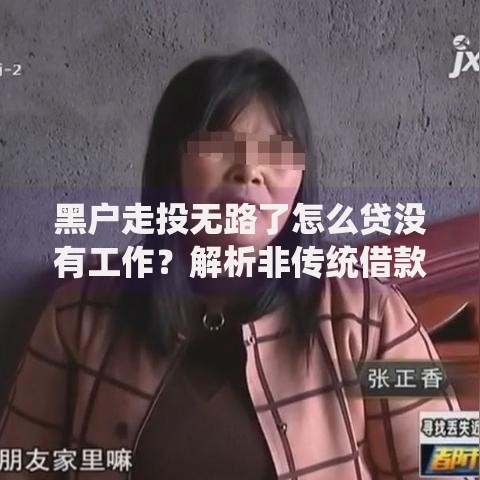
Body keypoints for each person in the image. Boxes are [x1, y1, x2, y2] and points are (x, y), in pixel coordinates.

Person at [0, 48, 461, 480]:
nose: (249, 170)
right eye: (219, 145)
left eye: (277, 151)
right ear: (171, 164)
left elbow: (454, 465)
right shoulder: (78, 313)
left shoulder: (372, 315)